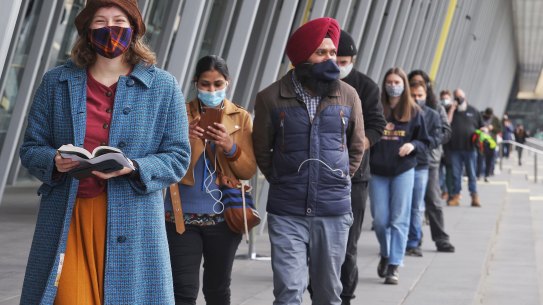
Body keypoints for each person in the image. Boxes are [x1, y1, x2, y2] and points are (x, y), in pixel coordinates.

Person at [18, 1, 191, 304]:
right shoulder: (56, 82)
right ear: (86, 29)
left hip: (134, 223)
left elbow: (177, 156)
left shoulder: (163, 86)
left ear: (134, 28)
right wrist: (54, 161)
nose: (109, 28)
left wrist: (135, 166)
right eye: (100, 21)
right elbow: (31, 148)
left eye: (118, 20)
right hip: (68, 218)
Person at [252, 17, 365, 304]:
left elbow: (356, 146)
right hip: (287, 210)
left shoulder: (348, 95)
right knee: (289, 290)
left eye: (332, 53)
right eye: (321, 53)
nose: (330, 59)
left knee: (328, 292)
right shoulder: (270, 98)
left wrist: (339, 178)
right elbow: (262, 149)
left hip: (333, 210)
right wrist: (282, 179)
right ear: (303, 57)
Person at [164, 55, 257, 305]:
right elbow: (173, 168)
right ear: (196, 83)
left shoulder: (241, 117)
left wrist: (229, 146)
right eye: (205, 84)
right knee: (182, 290)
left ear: (228, 83)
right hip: (181, 216)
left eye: (218, 84)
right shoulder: (179, 114)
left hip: (224, 218)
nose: (212, 90)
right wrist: (189, 138)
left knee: (217, 290)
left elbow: (248, 170)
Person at [335, 29, 386, 305]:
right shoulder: (316, 83)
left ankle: (346, 295)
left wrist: (358, 145)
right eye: (336, 59)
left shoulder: (365, 86)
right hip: (320, 175)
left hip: (355, 176)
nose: (340, 65)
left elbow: (378, 125)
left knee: (348, 243)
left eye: (345, 60)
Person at [370, 67, 430, 285]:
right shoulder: (376, 109)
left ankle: (394, 264)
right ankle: (386, 253)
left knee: (399, 219)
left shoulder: (414, 112)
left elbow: (425, 141)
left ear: (404, 85)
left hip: (403, 170)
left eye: (397, 82)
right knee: (380, 221)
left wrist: (412, 145)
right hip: (378, 171)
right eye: (390, 81)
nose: (393, 85)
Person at [408, 72, 455, 254]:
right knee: (411, 203)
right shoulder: (404, 106)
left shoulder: (435, 108)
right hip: (407, 160)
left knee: (433, 201)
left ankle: (441, 239)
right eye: (414, 83)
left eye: (422, 84)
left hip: (431, 161)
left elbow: (446, 131)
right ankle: (413, 240)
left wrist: (429, 142)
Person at [445, 89, 483, 207]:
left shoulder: (474, 111)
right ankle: (456, 196)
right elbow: (446, 123)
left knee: (471, 173)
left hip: (470, 148)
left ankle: (474, 196)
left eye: (460, 97)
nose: (459, 99)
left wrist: (481, 134)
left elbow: (482, 126)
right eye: (456, 97)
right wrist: (451, 109)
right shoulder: (450, 110)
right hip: (454, 148)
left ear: (465, 97)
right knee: (456, 174)